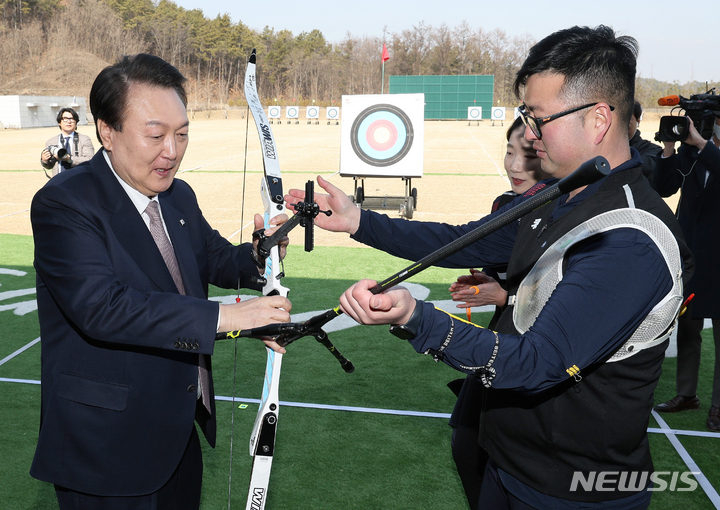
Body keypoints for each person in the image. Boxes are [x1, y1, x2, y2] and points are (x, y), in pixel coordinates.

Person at [287, 25, 693, 509]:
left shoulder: (630, 238)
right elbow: (461, 240)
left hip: (570, 493)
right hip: (508, 463)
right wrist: (360, 222)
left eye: (539, 117)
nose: (529, 133)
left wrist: (417, 318)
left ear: (599, 120)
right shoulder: (564, 193)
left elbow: (537, 364)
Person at [29, 54, 292, 509]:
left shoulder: (177, 194)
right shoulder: (65, 203)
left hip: (175, 430)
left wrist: (262, 252)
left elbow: (212, 259)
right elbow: (102, 307)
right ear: (107, 131)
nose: (172, 150)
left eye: (182, 133)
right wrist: (228, 316)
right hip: (105, 447)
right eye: (155, 134)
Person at [446, 116, 550, 509]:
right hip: (502, 340)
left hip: (535, 354)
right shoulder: (506, 205)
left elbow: (565, 290)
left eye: (528, 155)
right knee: (467, 442)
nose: (515, 165)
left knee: (503, 460)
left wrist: (505, 296)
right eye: (509, 152)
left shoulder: (562, 209)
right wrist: (486, 279)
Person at [651, 115, 720, 431]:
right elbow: (664, 187)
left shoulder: (705, 150)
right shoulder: (693, 151)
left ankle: (718, 406)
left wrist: (702, 145)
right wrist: (669, 146)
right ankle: (686, 394)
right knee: (689, 329)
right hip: (692, 256)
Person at [40, 107, 95, 177]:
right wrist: (44, 160)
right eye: (65, 119)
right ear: (59, 122)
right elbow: (49, 166)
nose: (69, 122)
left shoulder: (84, 139)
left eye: (72, 119)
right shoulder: (51, 142)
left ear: (76, 122)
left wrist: (69, 159)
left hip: (79, 179)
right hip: (59, 181)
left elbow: (89, 160)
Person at [628, 100, 662, 180]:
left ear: (638, 121)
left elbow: (650, 168)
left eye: (627, 118)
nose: (621, 123)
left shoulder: (653, 151)